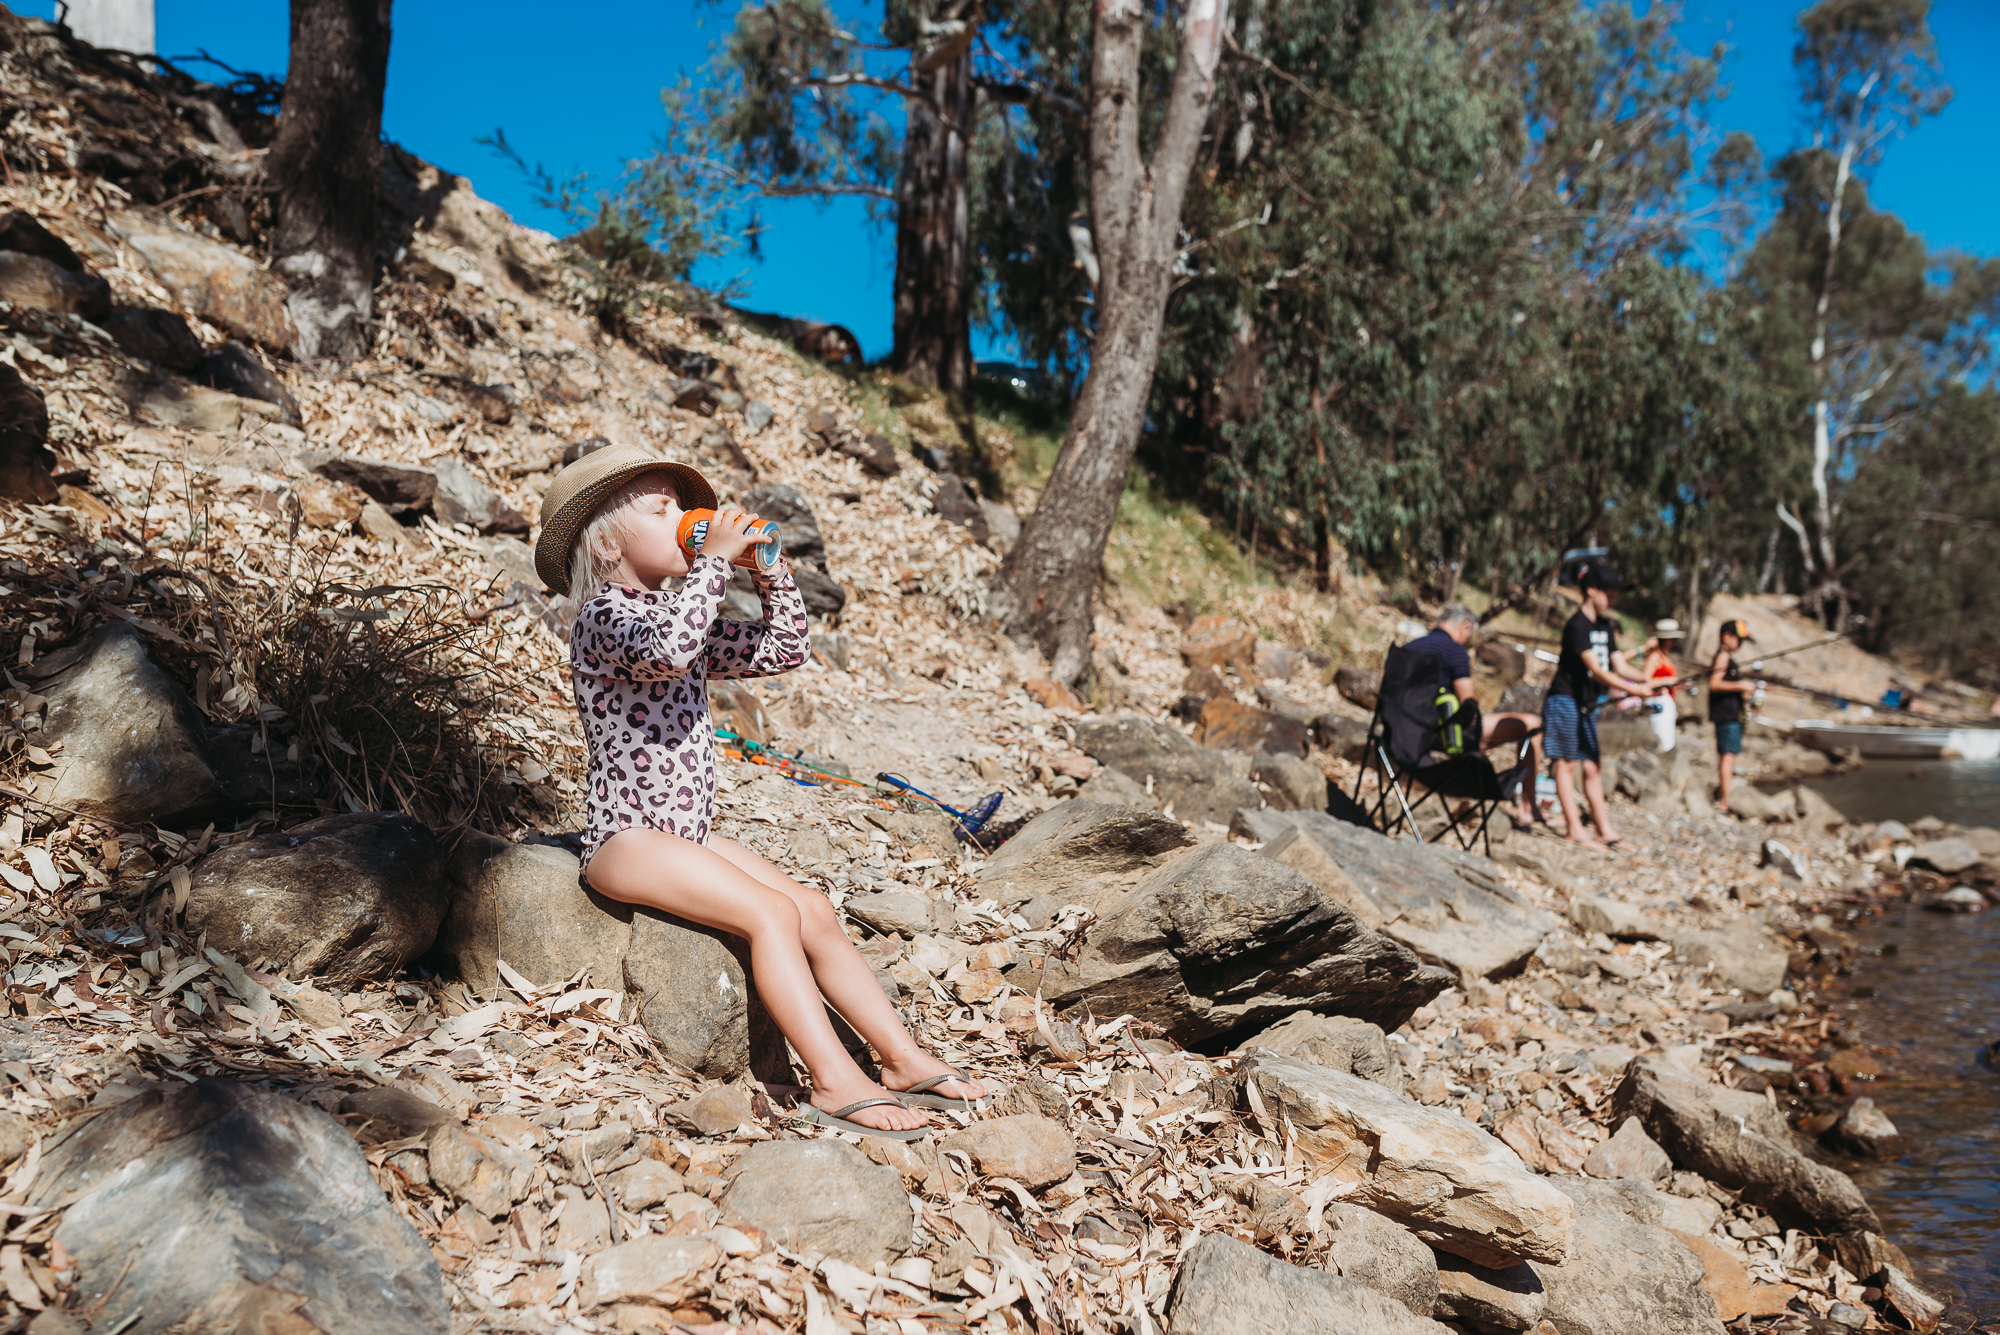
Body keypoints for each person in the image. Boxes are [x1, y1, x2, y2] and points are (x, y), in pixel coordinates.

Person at [533, 445, 985, 1140]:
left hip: (679, 832)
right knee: (770, 914)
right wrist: (713, 559)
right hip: (625, 838)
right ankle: (836, 1080)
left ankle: (900, 1057)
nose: (686, 519)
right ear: (605, 548)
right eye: (664, 511)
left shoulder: (670, 611)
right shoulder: (606, 620)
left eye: (687, 509)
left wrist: (769, 571)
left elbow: (783, 648)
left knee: (812, 909)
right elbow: (673, 648)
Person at [1542, 558, 1656, 848]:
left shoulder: (1605, 627)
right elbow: (1597, 670)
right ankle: (1575, 829)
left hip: (1588, 705)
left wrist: (1648, 682)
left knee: (1592, 766)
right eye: (1610, 592)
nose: (1615, 598)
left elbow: (1619, 666)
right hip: (1566, 699)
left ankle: (1604, 830)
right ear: (1591, 590)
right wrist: (1635, 690)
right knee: (1566, 765)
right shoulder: (1576, 626)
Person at [1401, 605, 1543, 826]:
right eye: (1469, 634)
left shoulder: (1408, 649)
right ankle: (1528, 806)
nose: (1467, 640)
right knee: (1532, 724)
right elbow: (1469, 702)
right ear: (1465, 626)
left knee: (1477, 732)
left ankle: (1480, 746)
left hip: (1405, 739)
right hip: (1446, 736)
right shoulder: (1453, 651)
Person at [1708, 618, 1759, 813]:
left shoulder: (1728, 659)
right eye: (1739, 639)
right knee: (1727, 757)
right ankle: (1724, 801)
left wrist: (1744, 694)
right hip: (1727, 717)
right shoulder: (1722, 656)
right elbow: (1715, 684)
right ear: (1726, 636)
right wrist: (1742, 685)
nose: (1740, 644)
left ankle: (1723, 797)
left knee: (1726, 756)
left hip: (1730, 715)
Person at [1639, 619, 1686, 753]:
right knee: (1661, 740)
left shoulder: (1665, 656)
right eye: (1672, 638)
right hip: (1658, 702)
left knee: (1668, 740)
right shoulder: (1654, 657)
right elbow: (1645, 681)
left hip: (1668, 702)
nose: (1674, 642)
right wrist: (1668, 680)